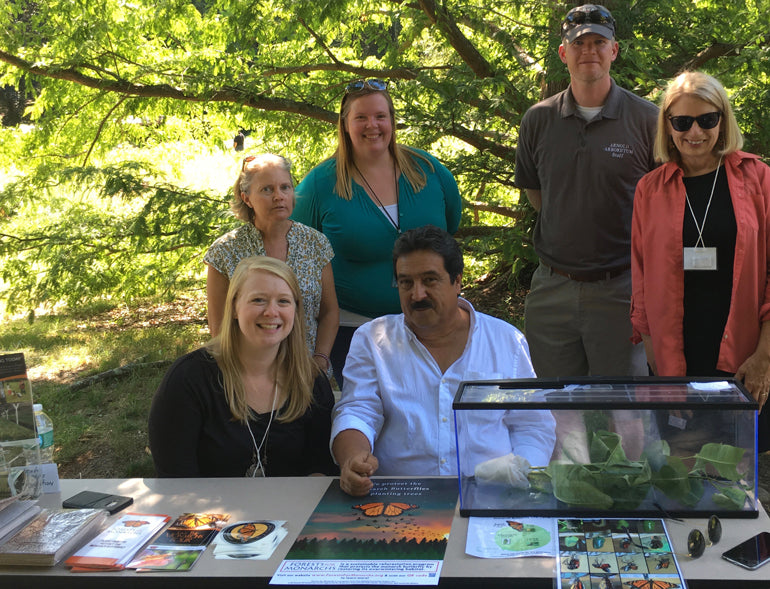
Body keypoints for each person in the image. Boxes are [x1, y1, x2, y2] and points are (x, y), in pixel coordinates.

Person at [331, 225, 556, 496]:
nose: (417, 294)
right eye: (406, 283)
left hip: (493, 495)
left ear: (457, 281)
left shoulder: (505, 341)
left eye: (430, 280)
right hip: (400, 499)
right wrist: (352, 460)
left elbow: (532, 426)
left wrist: (521, 483)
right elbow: (357, 410)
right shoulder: (372, 339)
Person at [515, 4, 658, 378]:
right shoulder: (538, 120)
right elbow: (537, 194)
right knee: (554, 411)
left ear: (614, 50)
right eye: (579, 44)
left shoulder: (647, 119)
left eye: (599, 42)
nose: (588, 51)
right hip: (552, 288)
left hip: (621, 289)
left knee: (627, 409)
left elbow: (665, 203)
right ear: (564, 53)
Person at [631, 71, 770, 448]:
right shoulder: (650, 189)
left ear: (722, 120)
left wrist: (764, 355)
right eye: (682, 122)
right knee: (682, 459)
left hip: (743, 350)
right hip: (676, 350)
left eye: (707, 120)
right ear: (668, 126)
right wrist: (656, 361)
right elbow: (641, 278)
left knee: (738, 463)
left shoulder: (758, 178)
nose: (695, 132)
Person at [292, 79, 462, 386]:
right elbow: (298, 250)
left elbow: (450, 228)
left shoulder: (430, 170)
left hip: (431, 322)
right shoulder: (320, 184)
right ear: (345, 125)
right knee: (370, 413)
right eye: (361, 117)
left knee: (431, 410)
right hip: (353, 329)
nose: (373, 125)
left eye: (380, 116)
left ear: (392, 121)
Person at [149, 256, 338, 477]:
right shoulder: (189, 379)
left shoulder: (310, 380)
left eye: (284, 301)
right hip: (206, 510)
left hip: (290, 509)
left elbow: (320, 469)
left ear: (295, 311)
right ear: (235, 307)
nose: (271, 312)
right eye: (258, 300)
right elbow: (175, 479)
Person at [205, 153, 338, 374]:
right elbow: (219, 328)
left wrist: (321, 358)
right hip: (248, 375)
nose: (279, 196)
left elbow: (329, 312)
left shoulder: (316, 243)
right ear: (246, 197)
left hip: (307, 372)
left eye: (285, 187)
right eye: (267, 189)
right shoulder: (224, 251)